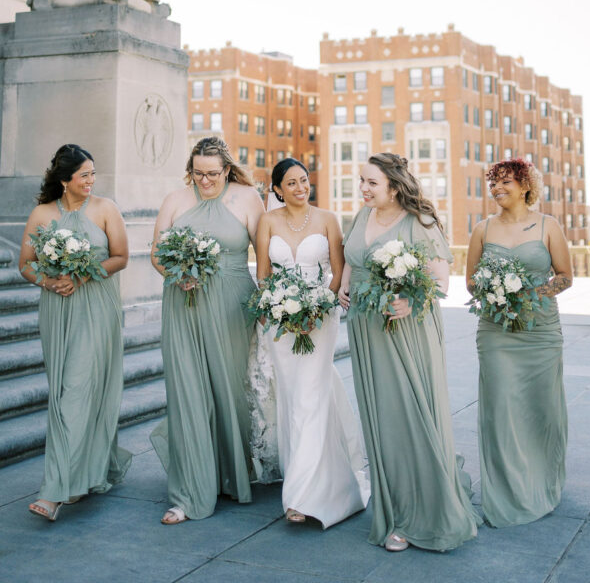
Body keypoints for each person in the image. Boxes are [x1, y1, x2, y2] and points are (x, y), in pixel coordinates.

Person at [339, 152, 480, 553]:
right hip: (367, 326)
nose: (363, 189)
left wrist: (407, 302)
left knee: (411, 415)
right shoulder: (361, 217)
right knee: (382, 417)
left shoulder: (420, 222)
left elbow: (439, 282)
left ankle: (423, 512)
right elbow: (354, 257)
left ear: (394, 186)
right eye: (361, 181)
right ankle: (395, 505)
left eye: (371, 183)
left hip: (407, 329)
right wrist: (344, 285)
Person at [150, 136, 264, 523]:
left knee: (229, 390)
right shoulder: (175, 200)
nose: (205, 181)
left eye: (212, 173)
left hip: (232, 306)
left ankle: (231, 474)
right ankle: (189, 491)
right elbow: (156, 252)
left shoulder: (249, 199)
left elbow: (264, 258)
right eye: (198, 173)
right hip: (182, 304)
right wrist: (175, 272)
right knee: (187, 390)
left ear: (227, 170)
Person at [19, 144, 131, 521]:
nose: (91, 181)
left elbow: (120, 257)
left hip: (96, 306)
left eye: (93, 174)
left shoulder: (105, 209)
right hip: (57, 310)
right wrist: (49, 282)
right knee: (64, 390)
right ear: (64, 180)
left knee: (79, 390)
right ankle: (83, 472)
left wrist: (81, 275)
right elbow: (25, 264)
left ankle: (53, 492)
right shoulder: (41, 214)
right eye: (83, 175)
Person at [255, 158, 369, 527]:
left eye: (304, 180)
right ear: (277, 190)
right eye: (291, 183)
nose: (300, 188)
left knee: (310, 395)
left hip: (320, 318)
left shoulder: (327, 219)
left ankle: (301, 496)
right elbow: (263, 275)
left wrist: (318, 308)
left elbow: (337, 272)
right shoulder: (267, 221)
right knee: (293, 397)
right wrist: (283, 311)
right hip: (281, 321)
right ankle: (309, 474)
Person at [466, 159, 571, 527]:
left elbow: (565, 276)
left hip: (540, 330)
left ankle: (543, 478)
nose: (496, 189)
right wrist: (495, 293)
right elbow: (471, 283)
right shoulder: (482, 229)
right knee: (500, 409)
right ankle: (507, 490)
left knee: (542, 408)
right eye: (493, 183)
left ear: (526, 185)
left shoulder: (548, 225)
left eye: (505, 182)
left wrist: (528, 294)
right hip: (495, 331)